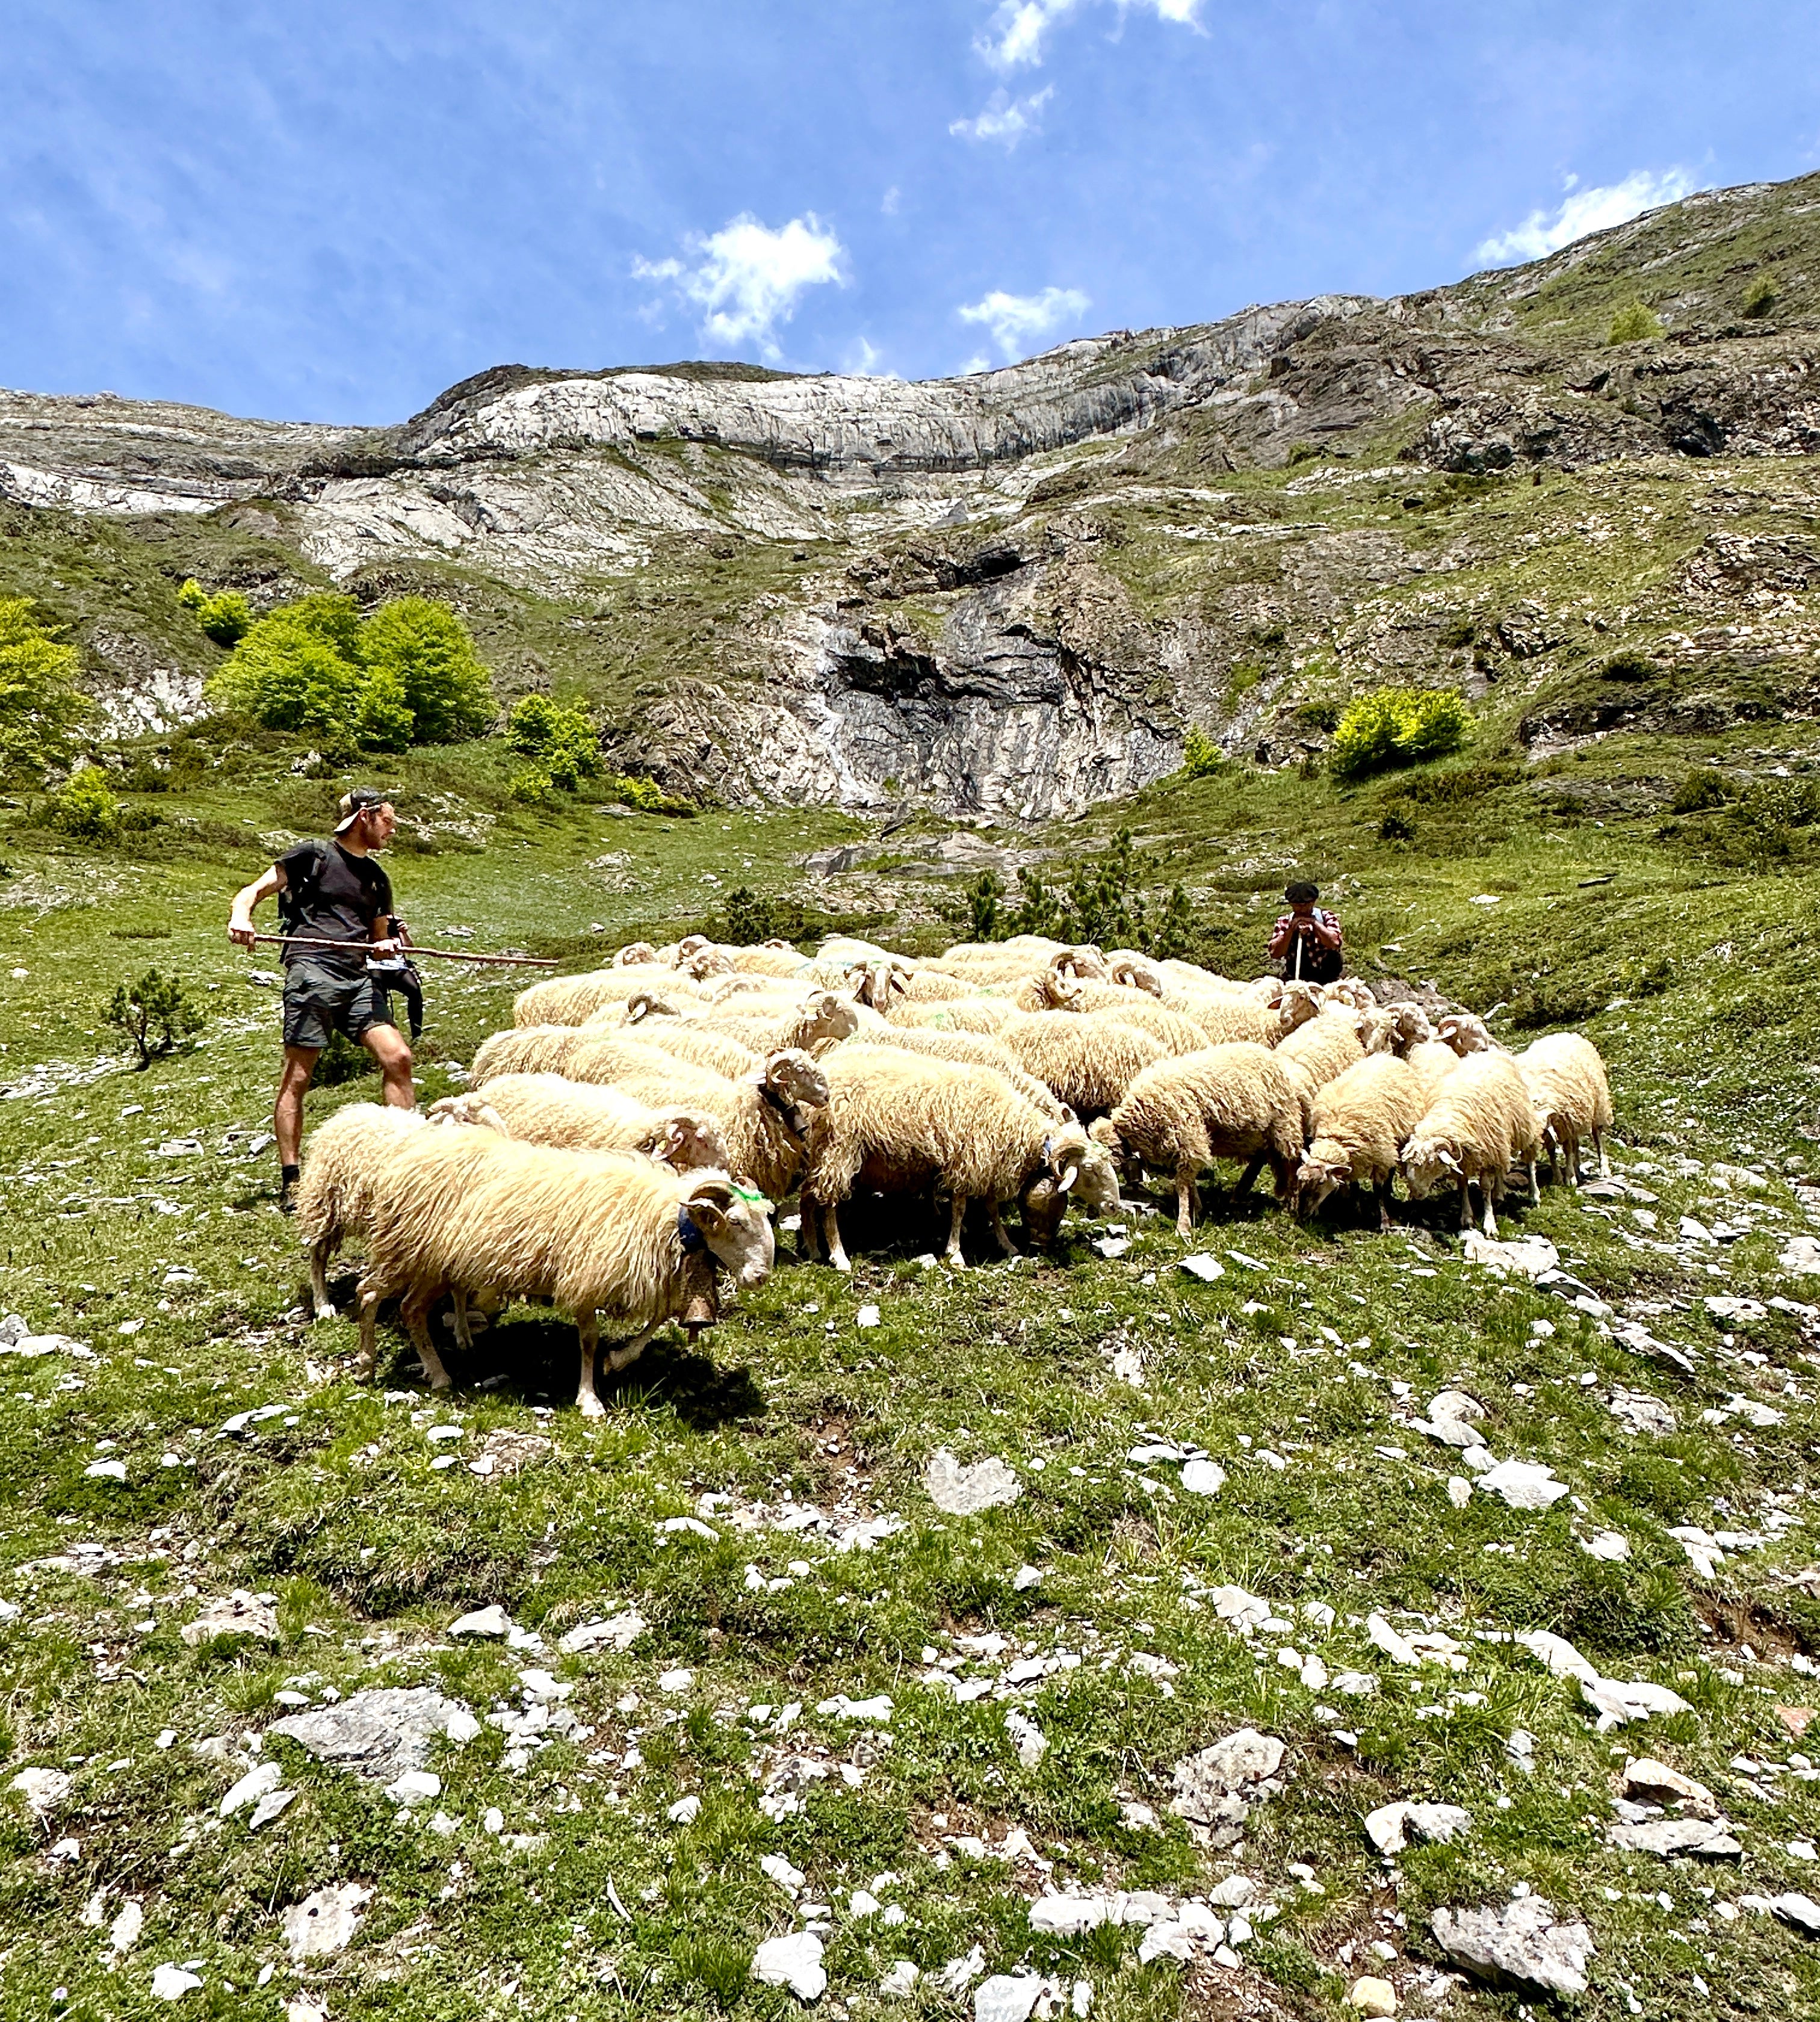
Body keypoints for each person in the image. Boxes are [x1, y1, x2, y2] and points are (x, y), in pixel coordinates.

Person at [228, 787, 415, 1208]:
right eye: (388, 819)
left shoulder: (378, 879)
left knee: (398, 1058)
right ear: (364, 817)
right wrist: (241, 918)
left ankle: (402, 1162)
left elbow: (378, 939)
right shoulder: (312, 855)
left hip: (358, 975)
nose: (393, 828)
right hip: (312, 968)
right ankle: (292, 1178)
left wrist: (390, 945)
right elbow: (252, 891)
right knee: (298, 1076)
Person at [1268, 880, 1343, 985]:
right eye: (1298, 906)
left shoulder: (1326, 917)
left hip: (1329, 980)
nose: (1302, 909)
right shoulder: (1284, 922)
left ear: (1313, 902)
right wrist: (1291, 930)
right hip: (1297, 980)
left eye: (1306, 905)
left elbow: (1335, 943)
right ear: (1291, 904)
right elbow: (1275, 953)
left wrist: (1314, 924)